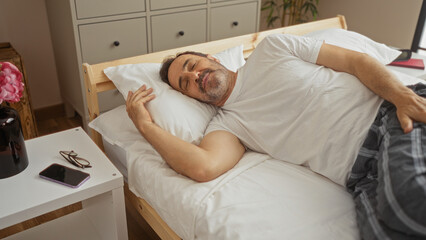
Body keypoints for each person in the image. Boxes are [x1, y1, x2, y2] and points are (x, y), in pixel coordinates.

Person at [126, 33, 426, 239]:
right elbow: (203, 166)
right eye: (184, 83)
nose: (194, 76)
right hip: (361, 178)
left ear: (209, 57)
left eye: (192, 66)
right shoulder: (228, 126)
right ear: (190, 97)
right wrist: (145, 126)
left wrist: (401, 96)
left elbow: (356, 61)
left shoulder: (273, 48)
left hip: (388, 116)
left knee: (410, 200)